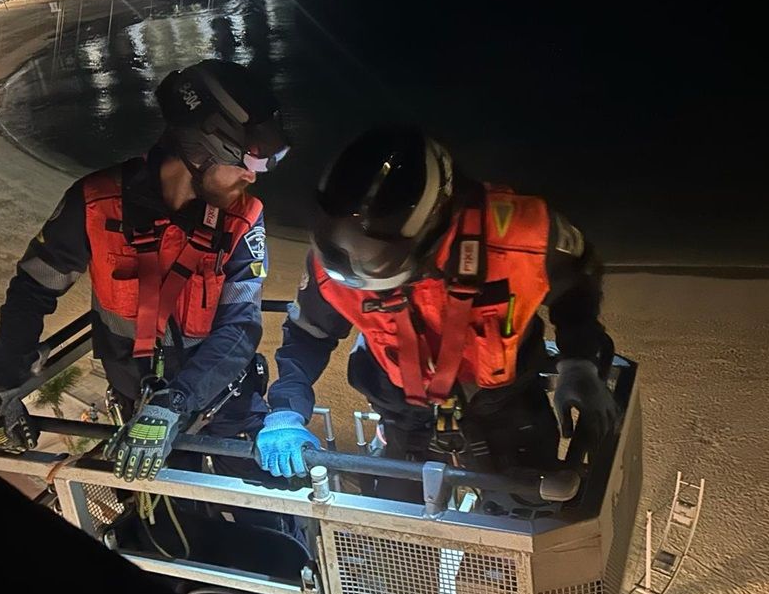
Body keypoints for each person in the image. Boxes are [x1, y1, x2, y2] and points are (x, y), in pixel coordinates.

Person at [0, 60, 289, 498]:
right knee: (163, 521)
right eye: (244, 162)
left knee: (264, 505)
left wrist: (176, 400)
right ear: (198, 153)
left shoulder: (244, 219)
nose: (252, 175)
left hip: (222, 401)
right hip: (136, 409)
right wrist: (5, 383)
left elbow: (240, 327)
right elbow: (33, 289)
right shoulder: (94, 203)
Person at [257, 126, 617, 496]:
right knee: (402, 534)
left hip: (509, 409)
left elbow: (578, 283)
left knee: (527, 517)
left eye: (377, 264)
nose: (358, 268)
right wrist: (286, 410)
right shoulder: (333, 264)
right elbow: (308, 334)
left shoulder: (525, 236)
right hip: (403, 417)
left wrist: (579, 361)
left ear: (431, 232)